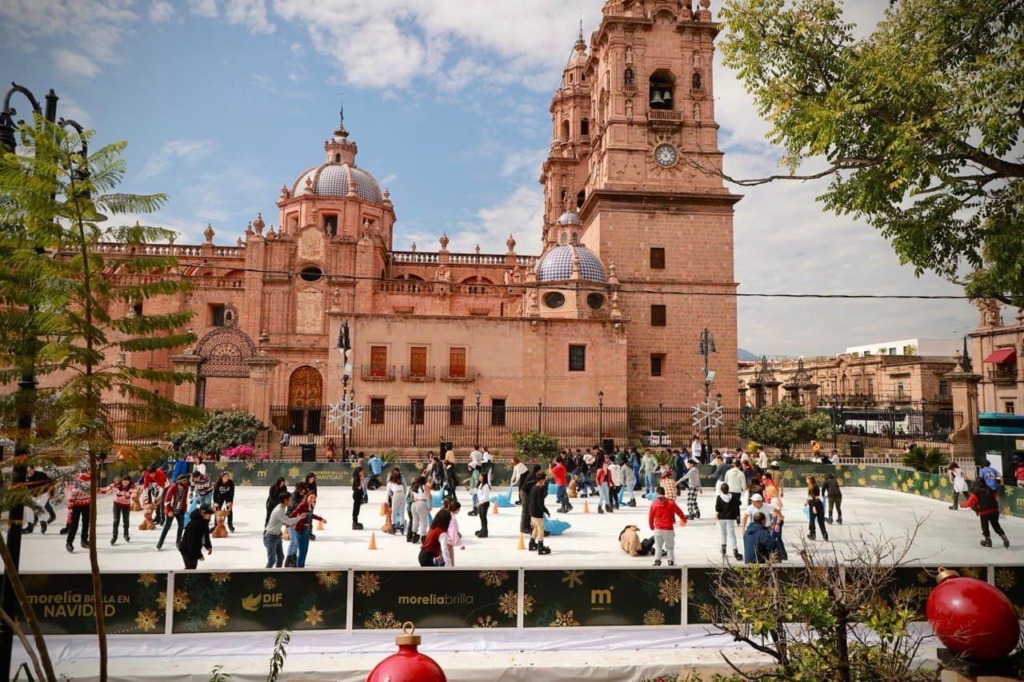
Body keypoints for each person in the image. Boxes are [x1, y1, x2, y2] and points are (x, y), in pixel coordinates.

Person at [961, 478, 1010, 548]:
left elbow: (970, 502)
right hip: (994, 510)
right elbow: (995, 498)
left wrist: (962, 505)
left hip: (984, 511)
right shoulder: (989, 489)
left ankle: (988, 540)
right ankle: (1004, 538)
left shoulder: (976, 491)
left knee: (985, 526)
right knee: (996, 525)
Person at [649, 485, 686, 566]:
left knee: (658, 547)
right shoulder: (671, 503)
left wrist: (651, 526)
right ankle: (670, 561)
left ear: (656, 493)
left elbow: (651, 517)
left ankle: (657, 561)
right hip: (668, 529)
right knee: (669, 547)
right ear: (664, 493)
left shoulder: (654, 504)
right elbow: (679, 512)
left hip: (658, 528)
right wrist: (684, 519)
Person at [288, 492, 326, 567]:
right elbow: (294, 513)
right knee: (302, 551)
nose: (312, 499)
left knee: (305, 551)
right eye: (311, 497)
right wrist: (288, 522)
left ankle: (302, 567)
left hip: (307, 529)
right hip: (300, 530)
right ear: (307, 497)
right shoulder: (302, 505)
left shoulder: (310, 505)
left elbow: (311, 515)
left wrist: (321, 519)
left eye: (314, 498)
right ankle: (299, 569)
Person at [264, 491, 299, 568]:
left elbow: (284, 520)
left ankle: (278, 574)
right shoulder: (279, 510)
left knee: (280, 557)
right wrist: (299, 518)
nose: (291, 500)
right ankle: (265, 575)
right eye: (290, 499)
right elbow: (287, 521)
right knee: (272, 560)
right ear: (285, 500)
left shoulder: (283, 507)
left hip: (277, 535)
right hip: (270, 537)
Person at [158, 474, 191, 551]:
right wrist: (169, 510)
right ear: (179, 481)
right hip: (172, 510)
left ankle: (178, 542)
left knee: (181, 526)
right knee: (167, 527)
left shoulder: (186, 488)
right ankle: (160, 542)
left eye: (185, 480)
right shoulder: (173, 487)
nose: (185, 482)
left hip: (180, 510)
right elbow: (166, 500)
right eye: (183, 480)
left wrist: (185, 508)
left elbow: (185, 499)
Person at [64, 468, 92, 553]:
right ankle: (69, 543)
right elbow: (71, 497)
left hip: (86, 505)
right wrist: (70, 509)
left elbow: (95, 491)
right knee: (74, 525)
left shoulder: (90, 483)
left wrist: (106, 491)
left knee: (86, 523)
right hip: (76, 506)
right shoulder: (77, 485)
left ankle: (84, 540)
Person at [102, 474, 135, 545]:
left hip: (126, 505)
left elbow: (128, 495)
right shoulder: (118, 484)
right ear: (122, 480)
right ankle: (114, 536)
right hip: (117, 504)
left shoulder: (132, 485)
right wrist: (109, 489)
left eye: (127, 481)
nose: (125, 483)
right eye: (124, 481)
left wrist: (121, 493)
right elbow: (110, 486)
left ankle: (126, 534)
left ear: (129, 481)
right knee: (116, 520)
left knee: (126, 520)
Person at [23, 464, 56, 534]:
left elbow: (51, 483)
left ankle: (43, 523)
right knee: (28, 508)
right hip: (33, 495)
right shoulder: (25, 477)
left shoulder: (40, 474)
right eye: (28, 471)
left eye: (30, 470)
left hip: (43, 493)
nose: (29, 472)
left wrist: (51, 494)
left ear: (33, 469)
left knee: (39, 506)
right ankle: (30, 526)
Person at [180, 504, 214, 569]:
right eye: (208, 514)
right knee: (190, 568)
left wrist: (208, 546)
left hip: (194, 548)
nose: (209, 516)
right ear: (202, 513)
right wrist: (199, 555)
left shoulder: (204, 521)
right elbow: (192, 542)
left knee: (193, 568)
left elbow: (206, 534)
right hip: (187, 549)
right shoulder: (194, 525)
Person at [715, 483, 743, 561]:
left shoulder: (719, 497)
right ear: (728, 489)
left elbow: (717, 508)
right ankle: (735, 551)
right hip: (730, 517)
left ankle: (723, 549)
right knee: (732, 534)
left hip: (721, 517)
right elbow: (738, 505)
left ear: (721, 490)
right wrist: (738, 516)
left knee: (723, 533)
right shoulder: (733, 497)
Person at [528, 471, 552, 554]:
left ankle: (531, 543)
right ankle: (540, 546)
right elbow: (540, 503)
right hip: (537, 513)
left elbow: (530, 500)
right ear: (542, 480)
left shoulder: (533, 488)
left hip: (531, 511)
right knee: (541, 529)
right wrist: (546, 511)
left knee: (535, 527)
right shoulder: (539, 490)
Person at [520, 464, 542, 533]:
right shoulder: (532, 477)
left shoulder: (533, 475)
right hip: (524, 493)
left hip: (526, 493)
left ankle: (527, 526)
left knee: (528, 510)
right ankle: (523, 527)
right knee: (525, 511)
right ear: (538, 470)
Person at [805, 476, 829, 542]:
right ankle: (825, 535)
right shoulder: (815, 486)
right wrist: (807, 502)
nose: (806, 481)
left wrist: (813, 507)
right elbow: (814, 497)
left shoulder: (812, 487)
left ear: (810, 480)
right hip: (819, 504)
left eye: (807, 480)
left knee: (812, 520)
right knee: (820, 521)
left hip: (814, 505)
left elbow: (813, 498)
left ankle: (812, 534)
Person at [443, 500, 465, 566]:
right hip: (448, 543)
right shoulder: (452, 519)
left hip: (443, 541)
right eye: (459, 509)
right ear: (456, 509)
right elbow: (453, 533)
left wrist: (457, 532)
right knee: (450, 564)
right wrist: (460, 544)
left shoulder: (446, 514)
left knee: (444, 562)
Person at [409, 476, 430, 543]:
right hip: (421, 503)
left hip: (414, 504)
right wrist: (430, 505)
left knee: (415, 520)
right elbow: (428, 496)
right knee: (423, 521)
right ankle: (423, 536)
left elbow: (411, 497)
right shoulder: (424, 487)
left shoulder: (413, 487)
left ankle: (414, 534)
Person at [386, 469, 406, 535]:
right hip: (402, 495)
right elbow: (404, 488)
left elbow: (388, 493)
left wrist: (388, 500)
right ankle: (402, 525)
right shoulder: (399, 483)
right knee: (401, 512)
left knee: (394, 512)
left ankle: (393, 526)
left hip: (396, 495)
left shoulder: (390, 483)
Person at [475, 470, 492, 538]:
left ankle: (485, 531)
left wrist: (479, 503)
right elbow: (477, 493)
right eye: (479, 476)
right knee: (481, 517)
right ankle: (482, 529)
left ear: (484, 477)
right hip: (481, 503)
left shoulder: (486, 486)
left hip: (485, 503)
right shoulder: (480, 484)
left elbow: (485, 497)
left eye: (481, 476)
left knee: (484, 517)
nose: (479, 477)